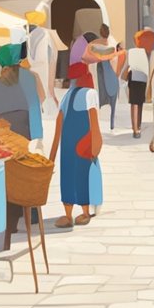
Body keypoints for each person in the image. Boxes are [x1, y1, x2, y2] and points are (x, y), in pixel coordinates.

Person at [50, 62, 102, 227]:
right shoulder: (90, 93)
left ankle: (69, 214)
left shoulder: (68, 95)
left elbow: (59, 124)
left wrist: (52, 155)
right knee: (81, 176)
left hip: (68, 143)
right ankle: (84, 212)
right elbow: (94, 121)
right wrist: (96, 145)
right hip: (83, 142)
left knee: (68, 176)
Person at [0, 43, 45, 146]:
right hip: (23, 128)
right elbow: (39, 100)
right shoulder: (30, 76)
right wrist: (38, 137)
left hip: (1, 128)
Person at [84, 25, 120, 130]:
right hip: (109, 72)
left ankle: (97, 123)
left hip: (101, 71)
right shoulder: (111, 45)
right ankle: (111, 123)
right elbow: (114, 62)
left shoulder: (96, 45)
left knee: (100, 95)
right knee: (111, 99)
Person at [121, 30, 154, 139]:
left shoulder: (132, 51)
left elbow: (127, 65)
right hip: (143, 79)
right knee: (139, 103)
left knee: (134, 104)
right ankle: (137, 126)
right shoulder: (148, 53)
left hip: (134, 77)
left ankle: (135, 129)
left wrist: (123, 76)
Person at [25, 11, 58, 113]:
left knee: (32, 90)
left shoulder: (27, 34)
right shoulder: (45, 33)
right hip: (43, 67)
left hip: (31, 66)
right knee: (42, 89)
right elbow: (52, 53)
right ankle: (41, 109)